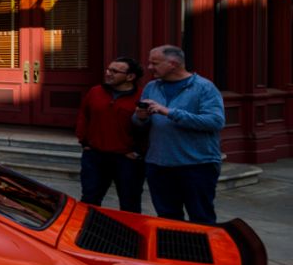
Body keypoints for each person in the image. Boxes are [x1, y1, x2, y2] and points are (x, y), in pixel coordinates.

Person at [132, 45, 225, 224]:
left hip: (197, 165)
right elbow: (139, 124)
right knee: (167, 219)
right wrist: (140, 117)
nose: (150, 67)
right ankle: (171, 252)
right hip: (159, 164)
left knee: (201, 218)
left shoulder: (204, 87)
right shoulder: (152, 87)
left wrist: (169, 112)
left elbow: (215, 122)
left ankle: (200, 252)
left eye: (154, 63)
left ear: (173, 63)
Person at [77, 56, 146, 214]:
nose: (108, 73)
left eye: (115, 71)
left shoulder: (141, 97)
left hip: (127, 159)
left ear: (130, 76)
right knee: (89, 199)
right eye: (108, 70)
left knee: (130, 203)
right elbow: (83, 116)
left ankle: (129, 236)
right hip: (95, 156)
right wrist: (84, 142)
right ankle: (86, 234)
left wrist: (138, 151)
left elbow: (149, 126)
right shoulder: (95, 92)